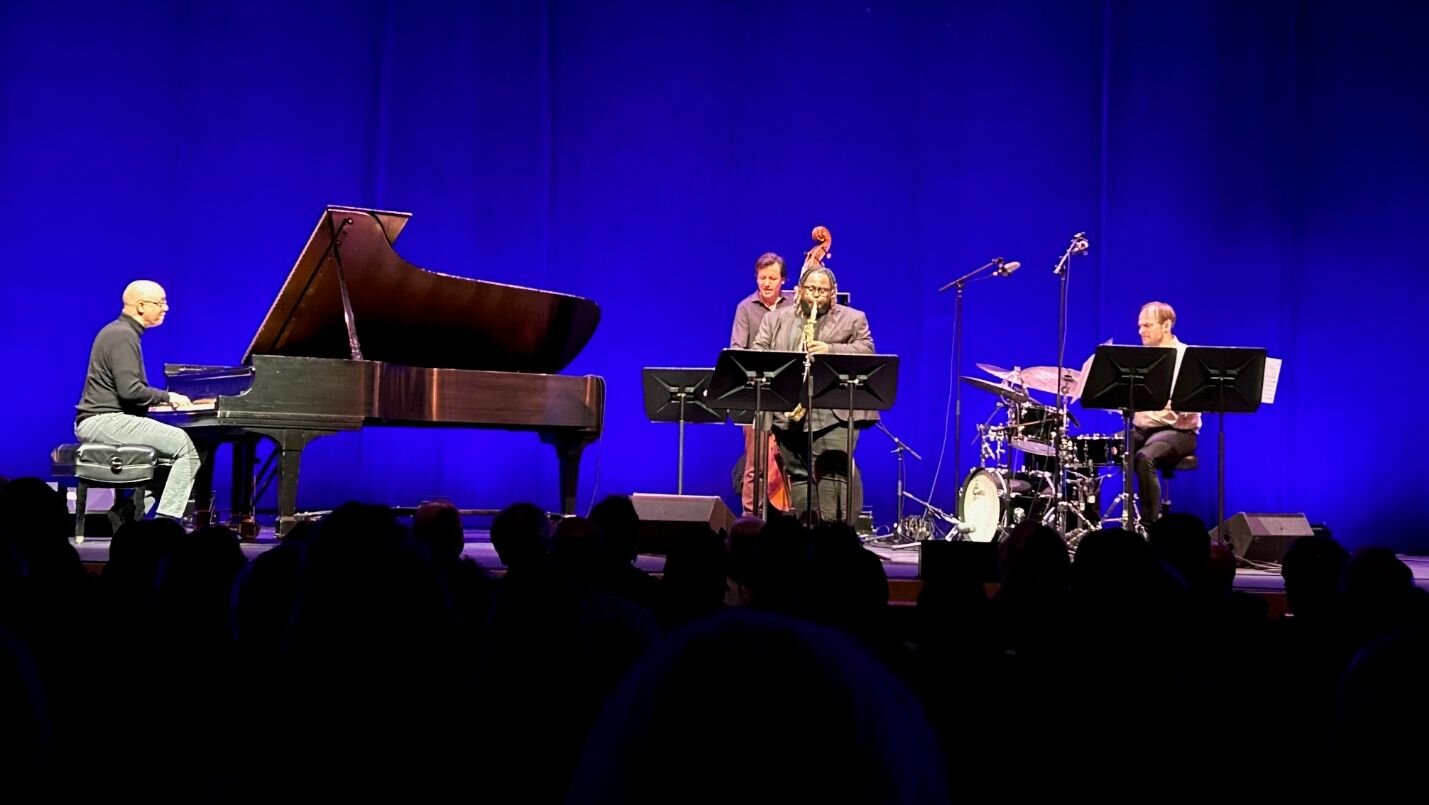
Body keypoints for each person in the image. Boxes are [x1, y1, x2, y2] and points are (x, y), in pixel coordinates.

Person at [754, 266, 876, 523]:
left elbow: (866, 349)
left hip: (833, 415)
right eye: (811, 289)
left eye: (822, 291)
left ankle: (832, 536)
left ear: (833, 293)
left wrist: (830, 349)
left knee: (832, 476)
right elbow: (758, 352)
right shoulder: (775, 319)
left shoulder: (853, 318)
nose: (816, 296)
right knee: (799, 475)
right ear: (799, 291)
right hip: (789, 415)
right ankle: (806, 531)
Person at [74, 280, 200, 522]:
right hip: (103, 421)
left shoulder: (121, 332)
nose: (166, 308)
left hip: (107, 420)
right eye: (160, 302)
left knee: (182, 454)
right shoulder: (122, 335)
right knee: (186, 448)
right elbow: (130, 392)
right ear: (141, 306)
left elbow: (131, 395)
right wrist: (168, 397)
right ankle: (166, 523)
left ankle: (127, 515)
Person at [729, 252, 792, 516]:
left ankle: (793, 519)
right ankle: (750, 518)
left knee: (793, 461)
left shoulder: (794, 304)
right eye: (762, 277)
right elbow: (737, 350)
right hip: (756, 395)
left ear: (783, 280)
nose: (766, 283)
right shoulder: (745, 308)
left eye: (772, 278)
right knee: (755, 463)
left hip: (789, 396)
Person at [1131, 300, 1200, 522]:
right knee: (1097, 451)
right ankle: (1091, 520)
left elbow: (1184, 408)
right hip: (1143, 429)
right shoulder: (1142, 359)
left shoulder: (1187, 358)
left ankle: (1150, 525)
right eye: (1140, 326)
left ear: (1166, 325)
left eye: (1147, 325)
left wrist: (1151, 410)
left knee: (1144, 457)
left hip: (1179, 433)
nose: (1141, 331)